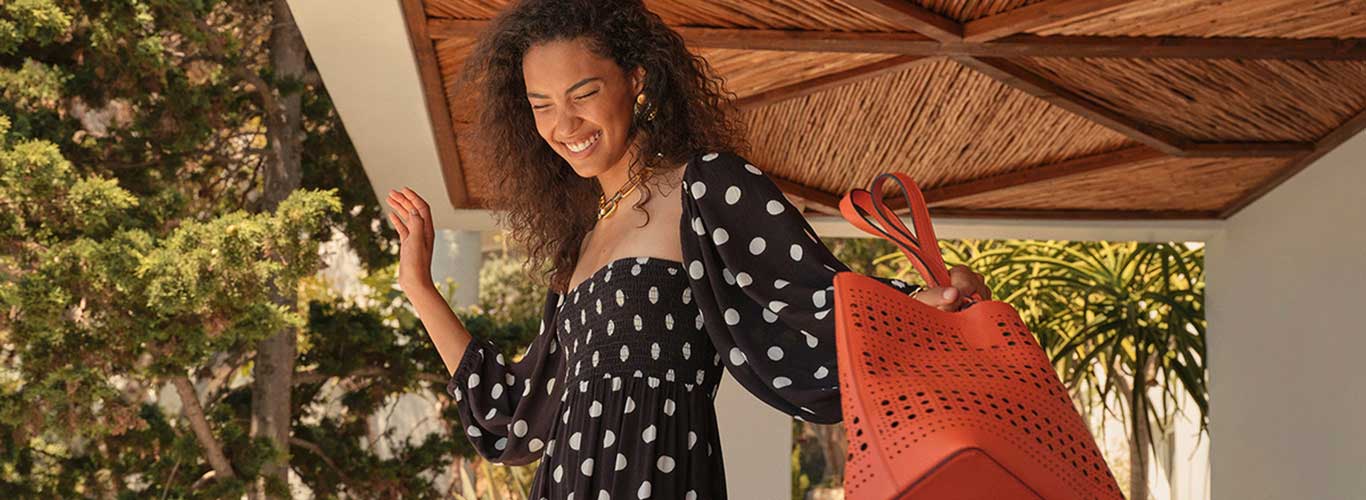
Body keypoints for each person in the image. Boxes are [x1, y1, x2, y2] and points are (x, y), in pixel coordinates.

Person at [384, 0, 992, 497]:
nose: (563, 124)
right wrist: (420, 288)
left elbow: (812, 298)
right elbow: (517, 416)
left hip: (662, 475)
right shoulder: (577, 247)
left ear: (637, 81)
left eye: (583, 93)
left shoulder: (706, 186)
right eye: (541, 105)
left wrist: (921, 305)